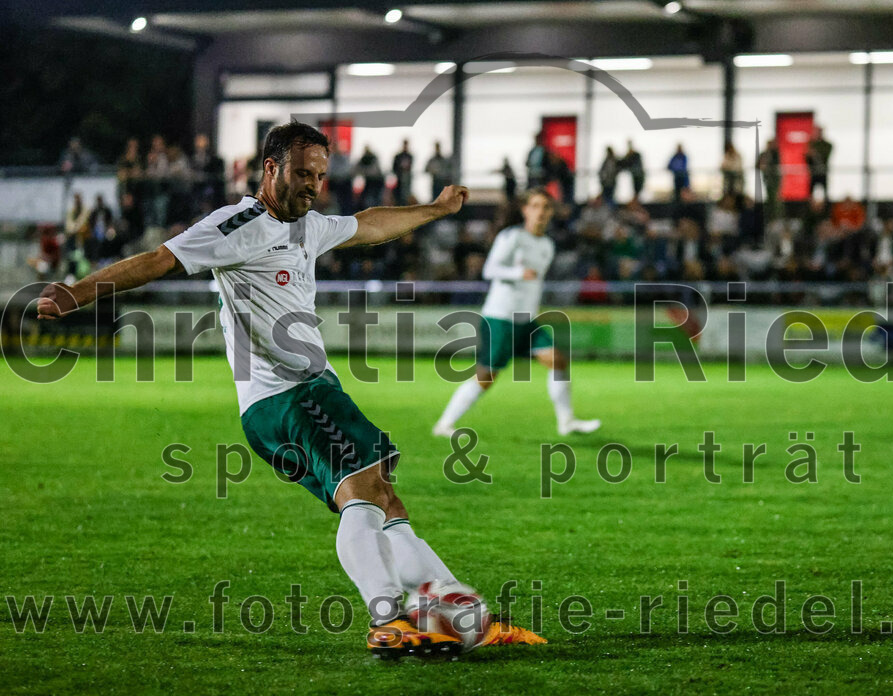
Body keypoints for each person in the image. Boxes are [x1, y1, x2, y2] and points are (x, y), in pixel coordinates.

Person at [35, 121, 543, 658]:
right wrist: (77, 292)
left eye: (321, 176)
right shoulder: (236, 224)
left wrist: (435, 210)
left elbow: (368, 224)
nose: (313, 185)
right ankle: (388, 618)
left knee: (384, 499)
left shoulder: (309, 225)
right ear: (271, 168)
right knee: (363, 494)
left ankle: (465, 613)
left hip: (309, 392)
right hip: (287, 397)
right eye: (303, 174)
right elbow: (159, 259)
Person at [433, 188, 601, 438]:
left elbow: (535, 283)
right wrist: (517, 273)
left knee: (558, 361)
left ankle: (567, 421)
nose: (541, 212)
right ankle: (443, 425)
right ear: (525, 210)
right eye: (535, 206)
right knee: (486, 377)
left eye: (545, 207)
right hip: (500, 319)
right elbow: (489, 270)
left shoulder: (547, 244)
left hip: (526, 321)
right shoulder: (511, 237)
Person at [804, 126, 832, 201]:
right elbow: (806, 157)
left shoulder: (826, 145)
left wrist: (815, 154)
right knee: (810, 193)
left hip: (822, 172)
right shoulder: (811, 144)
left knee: (825, 193)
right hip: (813, 172)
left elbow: (825, 156)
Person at [392, 139, 414, 205]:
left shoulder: (410, 156)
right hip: (399, 179)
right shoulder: (398, 156)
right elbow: (394, 168)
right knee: (398, 196)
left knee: (406, 196)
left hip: (406, 179)